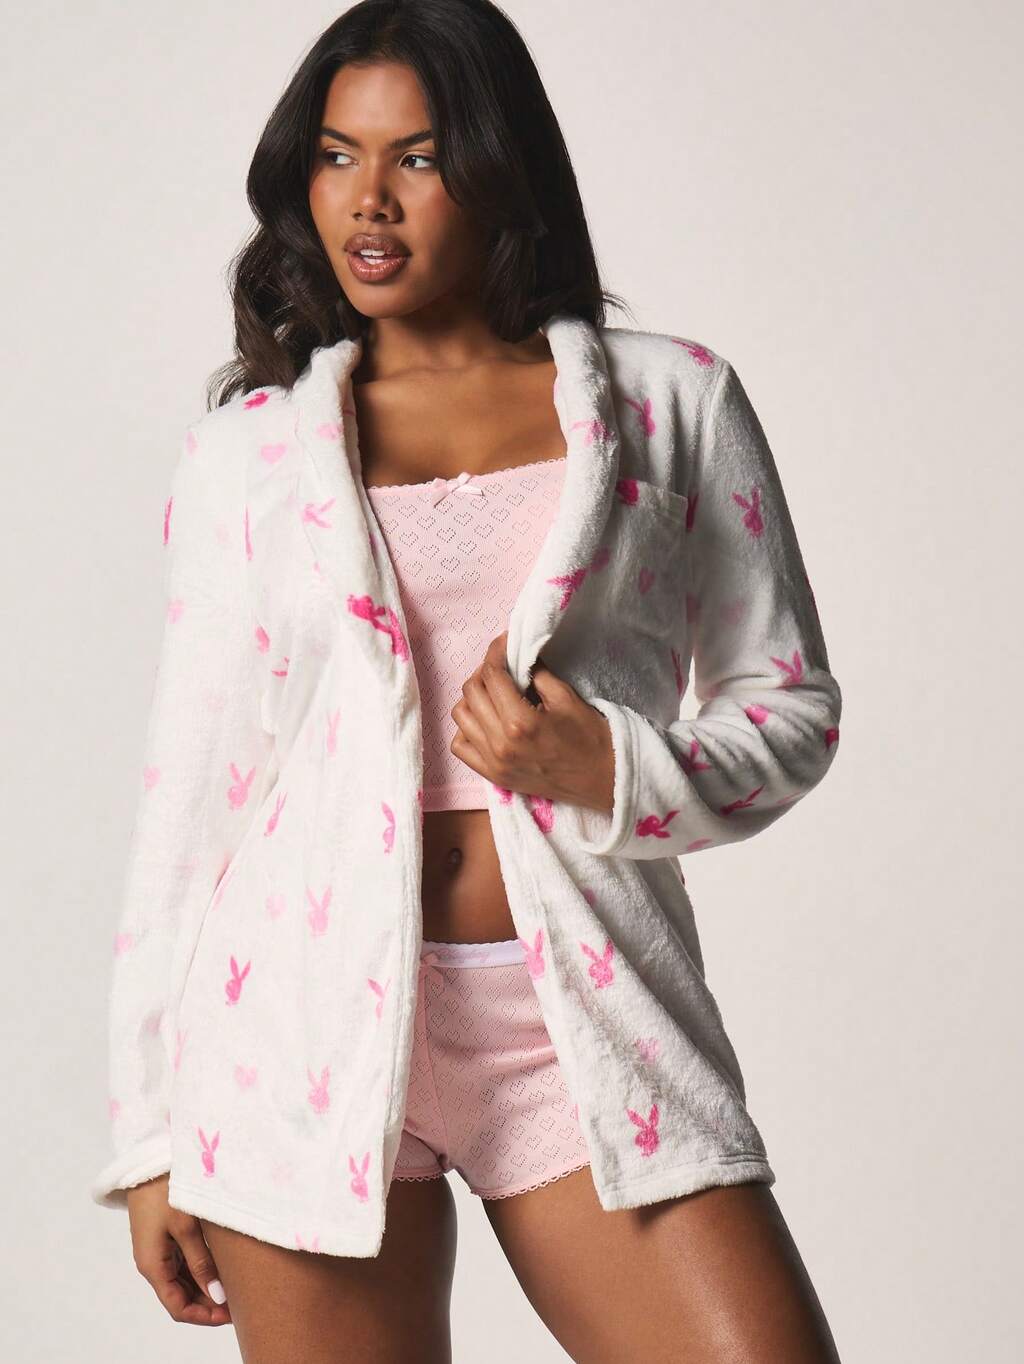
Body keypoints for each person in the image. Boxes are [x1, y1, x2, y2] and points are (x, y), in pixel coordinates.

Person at [91, 2, 844, 1359]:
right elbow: (193, 795)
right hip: (298, 1032)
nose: (367, 199)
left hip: (581, 1019)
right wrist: (149, 1132)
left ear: (499, 171)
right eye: (337, 155)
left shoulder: (671, 403)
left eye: (419, 158)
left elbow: (789, 704)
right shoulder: (247, 458)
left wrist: (615, 765)